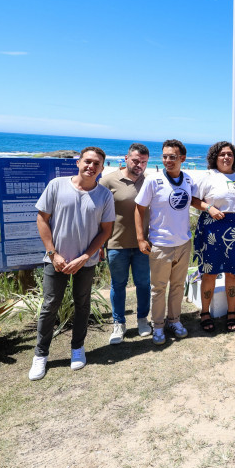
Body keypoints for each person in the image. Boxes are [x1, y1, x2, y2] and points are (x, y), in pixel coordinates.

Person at [29, 147, 115, 380]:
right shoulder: (57, 185)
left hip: (85, 262)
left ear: (102, 168)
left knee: (82, 304)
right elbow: (42, 219)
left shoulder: (105, 195)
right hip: (56, 260)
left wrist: (85, 257)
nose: (91, 166)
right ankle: (41, 355)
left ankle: (77, 348)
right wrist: (53, 253)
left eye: (96, 163)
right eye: (87, 161)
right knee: (50, 305)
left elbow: (106, 231)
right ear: (78, 163)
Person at [134, 140, 197, 345]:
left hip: (183, 243)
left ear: (182, 159)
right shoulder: (153, 180)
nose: (168, 160)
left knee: (178, 286)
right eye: (165, 156)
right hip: (160, 244)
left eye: (172, 157)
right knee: (159, 288)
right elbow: (139, 209)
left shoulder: (188, 179)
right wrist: (141, 238)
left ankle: (174, 320)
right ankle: (158, 325)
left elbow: (195, 200)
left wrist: (211, 207)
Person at [192, 141, 235, 333]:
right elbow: (193, 199)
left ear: (234, 157)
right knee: (210, 272)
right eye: (222, 154)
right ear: (215, 157)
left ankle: (231, 312)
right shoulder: (208, 176)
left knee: (232, 272)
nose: (226, 157)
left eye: (229, 154)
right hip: (213, 229)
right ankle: (205, 312)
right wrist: (209, 208)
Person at [99, 143, 151, 344]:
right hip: (116, 243)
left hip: (143, 245)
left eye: (144, 162)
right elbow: (98, 213)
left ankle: (142, 319)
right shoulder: (108, 180)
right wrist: (100, 244)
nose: (139, 165)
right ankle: (119, 323)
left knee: (143, 284)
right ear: (126, 158)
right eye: (136, 160)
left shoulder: (148, 181)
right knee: (118, 285)